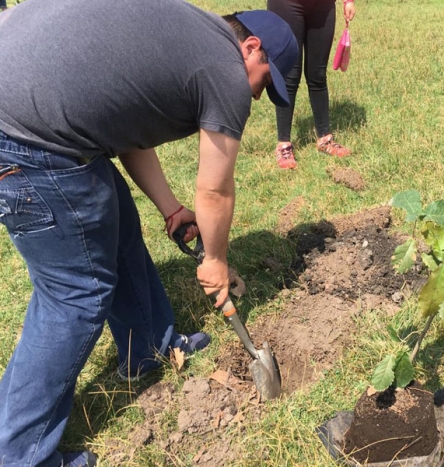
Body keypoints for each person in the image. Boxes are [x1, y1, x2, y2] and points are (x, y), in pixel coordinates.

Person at [0, 0, 298, 465]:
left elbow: (126, 129)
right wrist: (216, 261)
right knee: (74, 295)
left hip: (34, 102)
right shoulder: (223, 68)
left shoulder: (191, 37)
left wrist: (171, 208)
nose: (258, 96)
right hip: (24, 132)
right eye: (266, 80)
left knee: (113, 223)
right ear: (252, 47)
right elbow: (216, 188)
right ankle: (17, 455)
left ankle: (148, 350)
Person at [268, 0, 357, 169]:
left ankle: (325, 138)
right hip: (287, 5)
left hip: (322, 6)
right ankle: (284, 144)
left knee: (318, 74)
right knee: (290, 74)